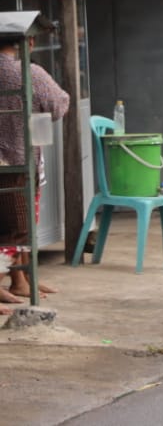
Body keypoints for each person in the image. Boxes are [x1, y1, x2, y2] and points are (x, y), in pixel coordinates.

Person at [0, 23, 71, 301]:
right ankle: (14, 282)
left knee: (15, 227)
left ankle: (23, 278)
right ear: (26, 43)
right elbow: (58, 105)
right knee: (17, 229)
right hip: (19, 161)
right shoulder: (30, 72)